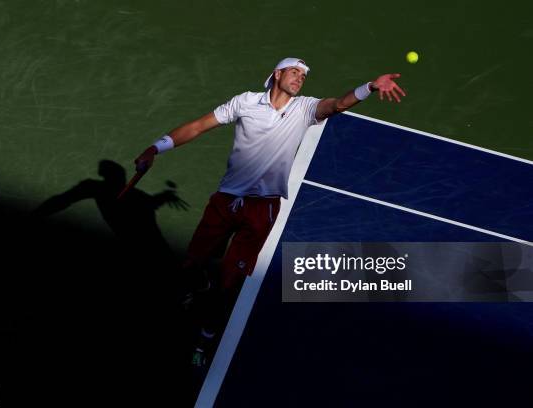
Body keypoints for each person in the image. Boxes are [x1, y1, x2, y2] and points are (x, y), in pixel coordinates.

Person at [134, 57, 406, 367]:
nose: (300, 78)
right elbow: (198, 125)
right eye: (294, 72)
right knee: (191, 265)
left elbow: (338, 104)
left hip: (261, 210)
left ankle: (205, 340)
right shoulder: (245, 102)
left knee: (228, 282)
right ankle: (199, 286)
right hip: (225, 201)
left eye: (303, 75)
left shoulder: (304, 108)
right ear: (277, 74)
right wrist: (156, 148)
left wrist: (369, 86)